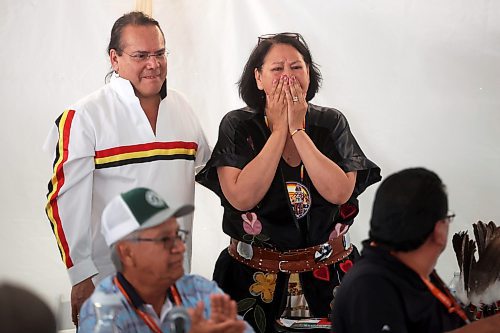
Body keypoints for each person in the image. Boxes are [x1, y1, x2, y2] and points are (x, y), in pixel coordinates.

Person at [196, 32, 381, 332]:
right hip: (252, 278)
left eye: (296, 67)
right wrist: (279, 131)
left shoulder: (331, 122)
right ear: (258, 78)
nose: (288, 76)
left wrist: (297, 130)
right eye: (277, 68)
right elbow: (241, 197)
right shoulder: (237, 125)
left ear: (309, 73)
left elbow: (340, 192)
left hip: (330, 275)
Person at [44, 11, 210, 325]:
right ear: (115, 58)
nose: (153, 63)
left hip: (175, 282)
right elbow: (62, 201)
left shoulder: (182, 107)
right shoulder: (84, 116)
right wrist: (80, 276)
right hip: (109, 284)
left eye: (160, 53)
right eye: (140, 55)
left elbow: (210, 172)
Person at [331, 168, 500, 333]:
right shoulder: (371, 286)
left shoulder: (409, 274)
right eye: (447, 218)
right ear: (439, 230)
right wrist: (488, 327)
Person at [79, 187, 252, 333]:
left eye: (178, 235)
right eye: (164, 239)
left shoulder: (199, 290)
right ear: (127, 253)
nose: (180, 247)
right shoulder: (101, 313)